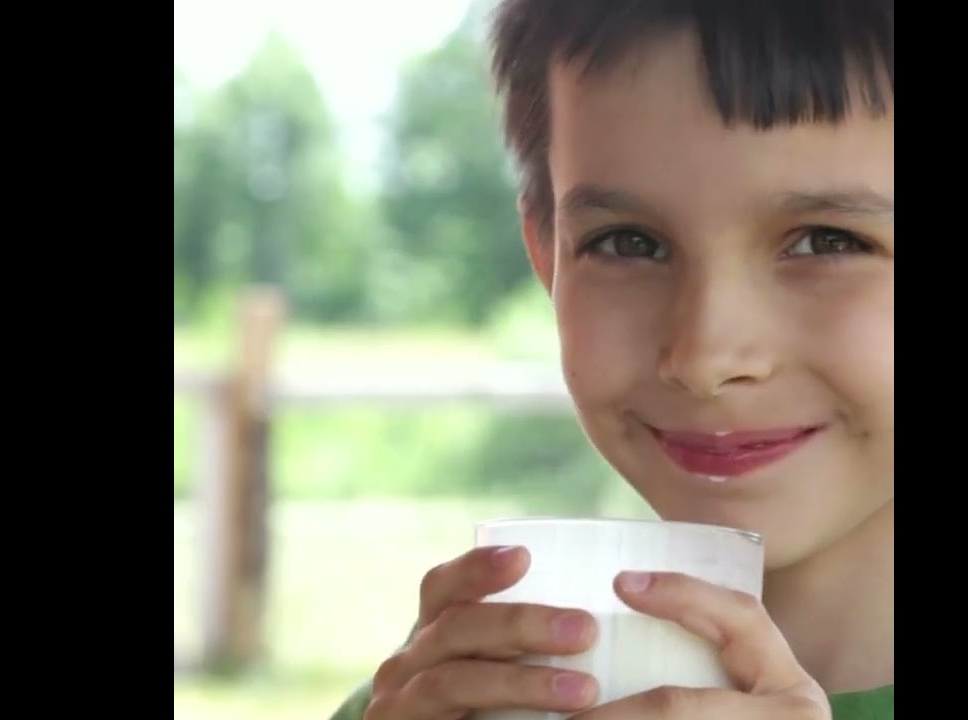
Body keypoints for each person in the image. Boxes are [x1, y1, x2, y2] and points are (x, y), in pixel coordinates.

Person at [331, 0, 893, 717]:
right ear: (547, 259)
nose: (703, 357)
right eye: (629, 243)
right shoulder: (430, 702)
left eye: (826, 241)